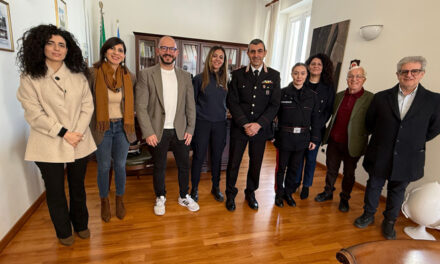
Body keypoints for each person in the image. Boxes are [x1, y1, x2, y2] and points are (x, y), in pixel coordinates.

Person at [16, 24, 96, 246]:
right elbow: (33, 113)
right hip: (48, 141)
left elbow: (87, 106)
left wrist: (76, 132)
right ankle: (64, 231)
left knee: (78, 186)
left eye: (61, 44)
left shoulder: (79, 75)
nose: (56, 48)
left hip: (79, 139)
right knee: (55, 190)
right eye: (51, 43)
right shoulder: (30, 77)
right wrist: (63, 133)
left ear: (68, 49)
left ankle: (81, 224)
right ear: (41, 46)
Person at [354, 56, 440, 239]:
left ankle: (389, 221)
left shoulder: (434, 100)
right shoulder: (381, 97)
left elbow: (434, 128)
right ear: (398, 74)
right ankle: (368, 215)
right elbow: (369, 123)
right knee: (374, 185)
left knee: (397, 190)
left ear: (421, 74)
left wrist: (411, 140)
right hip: (380, 152)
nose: (409, 75)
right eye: (404, 71)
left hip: (409, 156)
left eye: (414, 71)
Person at [135, 36, 199, 216]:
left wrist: (190, 129)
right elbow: (140, 107)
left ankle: (183, 195)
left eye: (171, 49)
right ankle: (160, 196)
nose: (168, 52)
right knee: (160, 166)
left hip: (180, 130)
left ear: (177, 53)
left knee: (184, 165)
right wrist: (148, 132)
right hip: (157, 130)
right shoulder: (146, 74)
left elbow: (190, 106)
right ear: (158, 51)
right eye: (164, 48)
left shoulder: (186, 76)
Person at [225, 39, 281, 211]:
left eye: (259, 51)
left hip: (260, 130)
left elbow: (274, 104)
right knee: (233, 163)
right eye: (253, 51)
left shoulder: (273, 75)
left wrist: (258, 125)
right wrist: (244, 124)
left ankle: (251, 193)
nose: (256, 55)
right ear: (248, 53)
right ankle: (230, 194)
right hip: (239, 128)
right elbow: (232, 102)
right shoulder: (237, 74)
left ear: (265, 53)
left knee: (256, 163)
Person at [88, 37, 136, 222]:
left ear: (124, 55)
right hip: (103, 127)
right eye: (113, 49)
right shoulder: (93, 73)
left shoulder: (129, 76)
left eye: (121, 50)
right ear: (105, 51)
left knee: (120, 165)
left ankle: (119, 200)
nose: (117, 53)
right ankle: (104, 201)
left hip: (123, 127)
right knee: (104, 166)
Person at [314, 65, 374, 213]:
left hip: (353, 144)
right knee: (331, 170)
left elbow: (373, 122)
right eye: (351, 76)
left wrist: (362, 134)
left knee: (349, 173)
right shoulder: (339, 95)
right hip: (335, 140)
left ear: (364, 79)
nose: (354, 79)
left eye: (358, 76)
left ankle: (344, 199)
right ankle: (328, 192)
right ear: (347, 79)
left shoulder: (370, 98)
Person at [274, 63, 320, 208]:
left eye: (302, 73)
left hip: (302, 138)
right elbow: (272, 115)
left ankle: (288, 193)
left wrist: (314, 139)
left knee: (294, 168)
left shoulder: (312, 96)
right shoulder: (282, 93)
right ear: (291, 74)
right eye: (296, 73)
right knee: (281, 168)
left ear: (306, 75)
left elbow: (315, 119)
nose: (299, 76)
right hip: (284, 137)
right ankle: (279, 194)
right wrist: (273, 135)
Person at [290, 53, 335, 200]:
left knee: (310, 158)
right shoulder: (302, 82)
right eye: (313, 63)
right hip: (300, 128)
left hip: (317, 129)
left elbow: (329, 109)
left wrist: (317, 125)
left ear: (323, 68)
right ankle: (296, 182)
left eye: (319, 64)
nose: (316, 66)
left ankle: (307, 186)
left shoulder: (328, 87)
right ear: (308, 66)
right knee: (297, 157)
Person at [190, 46, 228, 202]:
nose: (217, 59)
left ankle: (216, 187)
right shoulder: (199, 79)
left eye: (221, 57)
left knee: (217, 157)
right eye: (215, 56)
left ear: (223, 61)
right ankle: (194, 189)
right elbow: (191, 104)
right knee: (199, 157)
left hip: (220, 124)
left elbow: (227, 101)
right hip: (202, 123)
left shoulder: (226, 80)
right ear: (209, 58)